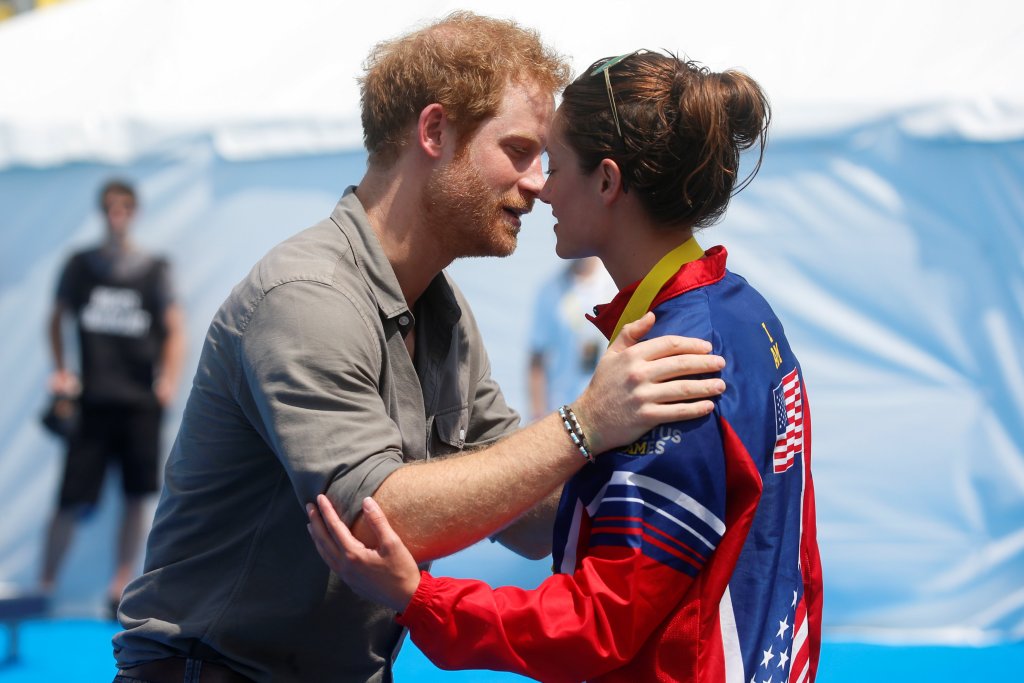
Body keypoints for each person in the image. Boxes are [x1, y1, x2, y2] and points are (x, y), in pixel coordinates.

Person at [111, 15, 727, 683]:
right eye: (519, 150)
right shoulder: (306, 295)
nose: (540, 183)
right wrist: (587, 424)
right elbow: (386, 518)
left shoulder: (441, 306)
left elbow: (522, 514)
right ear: (433, 131)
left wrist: (684, 466)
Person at [309, 50, 824, 683]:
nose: (539, 187)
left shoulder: (675, 360)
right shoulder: (741, 314)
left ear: (607, 182)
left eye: (553, 164)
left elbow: (599, 623)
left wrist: (420, 598)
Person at [42, 178, 185, 617]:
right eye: (109, 207)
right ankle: (44, 586)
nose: (116, 214)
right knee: (71, 496)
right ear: (102, 212)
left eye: (123, 206)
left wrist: (169, 381)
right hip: (93, 400)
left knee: (135, 495)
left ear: (135, 211)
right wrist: (62, 372)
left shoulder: (153, 267)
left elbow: (175, 327)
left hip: (138, 402)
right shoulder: (81, 266)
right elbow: (56, 318)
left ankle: (119, 586)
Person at [527, 257, 617, 421]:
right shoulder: (550, 290)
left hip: (608, 407)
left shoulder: (615, 282)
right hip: (562, 411)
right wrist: (537, 415)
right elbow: (536, 360)